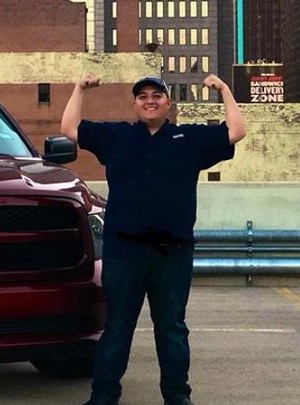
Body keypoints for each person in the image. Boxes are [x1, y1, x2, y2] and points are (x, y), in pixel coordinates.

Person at [60, 74, 246, 405]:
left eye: (157, 95)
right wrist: (79, 88)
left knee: (171, 328)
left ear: (168, 103)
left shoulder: (188, 139)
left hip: (171, 253)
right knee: (118, 327)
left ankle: (177, 396)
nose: (150, 100)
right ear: (135, 103)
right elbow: (70, 129)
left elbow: (236, 131)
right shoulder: (117, 136)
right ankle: (103, 395)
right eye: (143, 96)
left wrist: (224, 90)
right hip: (124, 252)